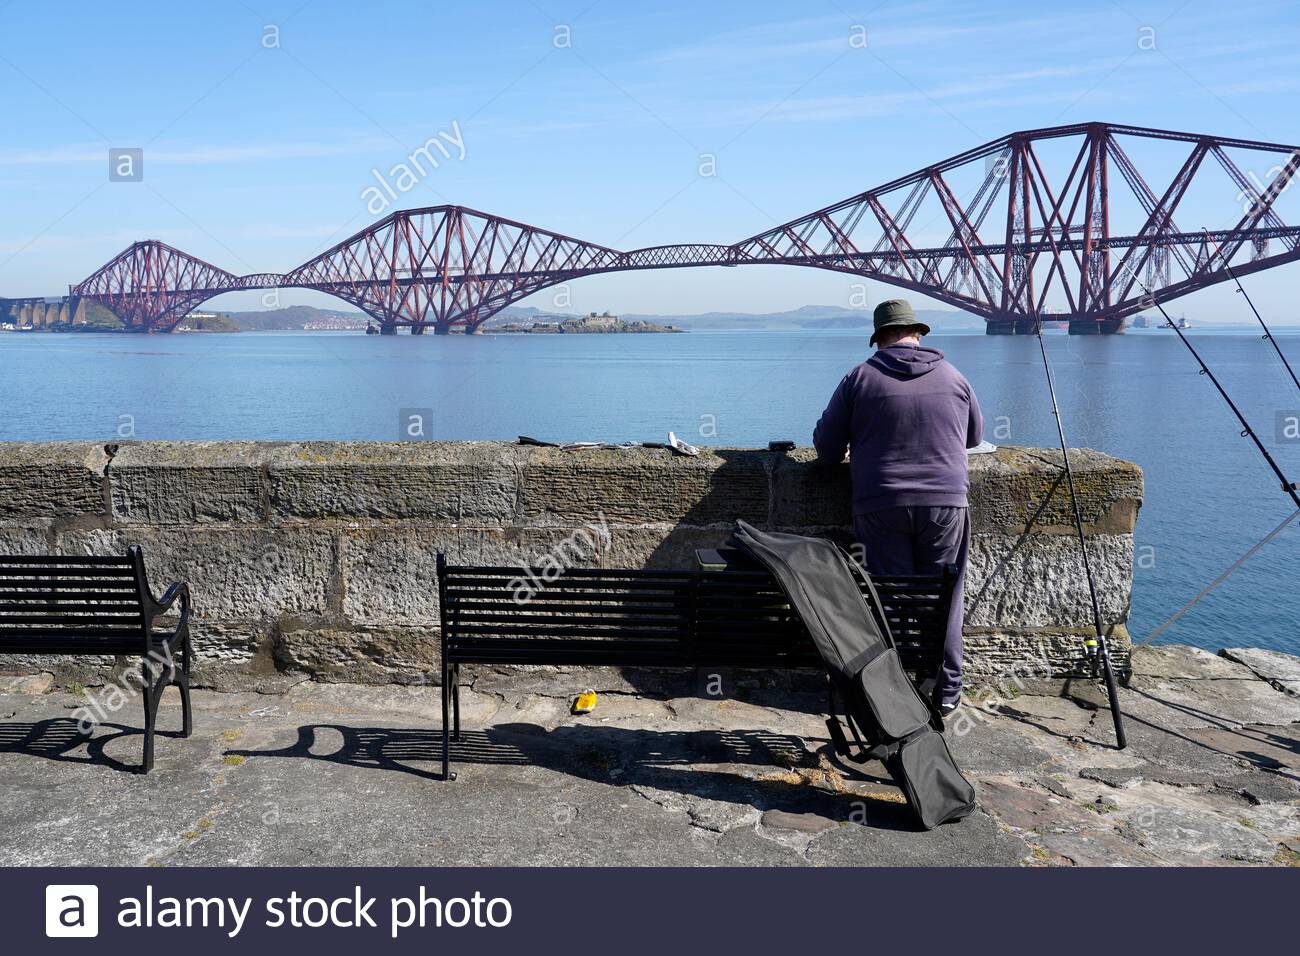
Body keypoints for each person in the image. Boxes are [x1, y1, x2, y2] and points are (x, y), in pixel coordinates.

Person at [813, 298, 983, 715]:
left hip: (881, 503)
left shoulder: (860, 378)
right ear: (918, 334)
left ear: (879, 338)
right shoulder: (954, 376)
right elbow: (974, 438)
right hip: (945, 503)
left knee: (888, 599)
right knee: (945, 599)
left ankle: (892, 694)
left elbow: (827, 449)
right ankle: (945, 696)